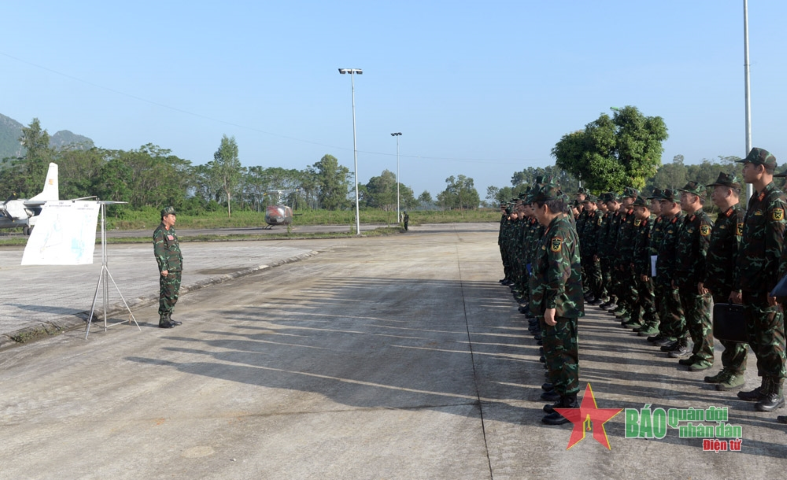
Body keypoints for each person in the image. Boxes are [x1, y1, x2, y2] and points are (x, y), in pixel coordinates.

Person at [731, 148, 787, 413]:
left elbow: (777, 249)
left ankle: (776, 390)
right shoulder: (756, 200)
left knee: (771, 338)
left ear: (760, 168)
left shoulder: (775, 201)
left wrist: (774, 287)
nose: (744, 170)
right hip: (752, 282)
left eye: (748, 166)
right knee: (756, 336)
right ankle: (765, 386)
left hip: (765, 285)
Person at [529, 183, 583, 425]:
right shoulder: (554, 228)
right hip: (557, 304)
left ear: (546, 207)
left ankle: (570, 405)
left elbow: (559, 271)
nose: (533, 212)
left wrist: (551, 304)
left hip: (561, 306)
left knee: (562, 355)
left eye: (535, 207)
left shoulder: (560, 231)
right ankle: (564, 399)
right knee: (555, 354)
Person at [702, 172, 748, 390]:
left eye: (716, 190)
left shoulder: (738, 217)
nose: (713, 194)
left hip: (730, 286)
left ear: (729, 192)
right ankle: (728, 369)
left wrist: (737, 287)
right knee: (724, 330)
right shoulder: (723, 217)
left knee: (734, 330)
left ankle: (737, 373)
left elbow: (740, 255)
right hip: (720, 284)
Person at [672, 181, 713, 370]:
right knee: (690, 319)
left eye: (684, 196)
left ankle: (705, 356)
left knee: (700, 320)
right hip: (685, 279)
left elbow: (705, 253)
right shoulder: (687, 220)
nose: (680, 199)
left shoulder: (702, 221)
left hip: (697, 282)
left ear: (695, 198)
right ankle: (697, 352)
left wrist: (703, 279)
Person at [153, 206, 183, 328]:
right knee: (167, 294)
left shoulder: (171, 230)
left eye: (174, 215)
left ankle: (169, 317)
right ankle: (163, 319)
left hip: (176, 267)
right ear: (165, 217)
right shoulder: (160, 232)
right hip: (168, 269)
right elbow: (159, 252)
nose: (174, 218)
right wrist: (163, 268)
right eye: (172, 216)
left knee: (174, 294)